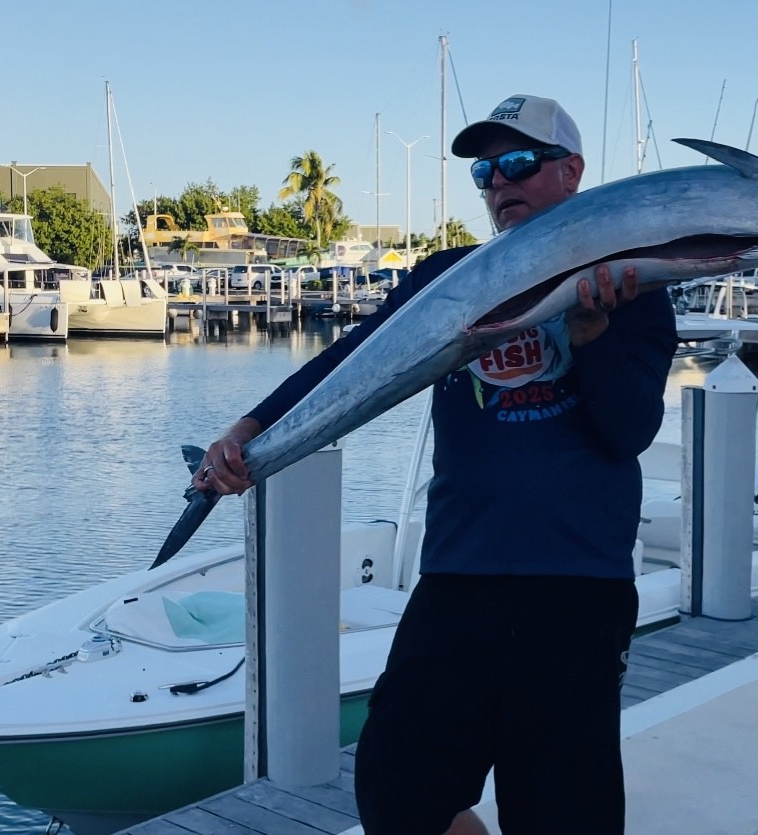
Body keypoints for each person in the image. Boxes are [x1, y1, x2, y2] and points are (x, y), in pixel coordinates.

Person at [195, 93, 678, 834]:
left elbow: (629, 432)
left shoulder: (634, 282)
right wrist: (250, 428)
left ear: (572, 171)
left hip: (578, 587)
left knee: (563, 813)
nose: (499, 182)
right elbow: (349, 361)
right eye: (485, 172)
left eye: (520, 162)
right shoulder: (445, 277)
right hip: (459, 575)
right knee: (396, 791)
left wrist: (592, 333)